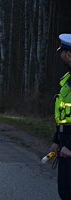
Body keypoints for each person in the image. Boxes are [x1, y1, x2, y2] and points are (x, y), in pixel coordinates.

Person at [50, 33, 71, 200]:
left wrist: (70, 145)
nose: (60, 55)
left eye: (62, 52)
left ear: (69, 54)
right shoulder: (68, 79)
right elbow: (64, 115)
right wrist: (57, 140)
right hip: (64, 142)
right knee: (64, 190)